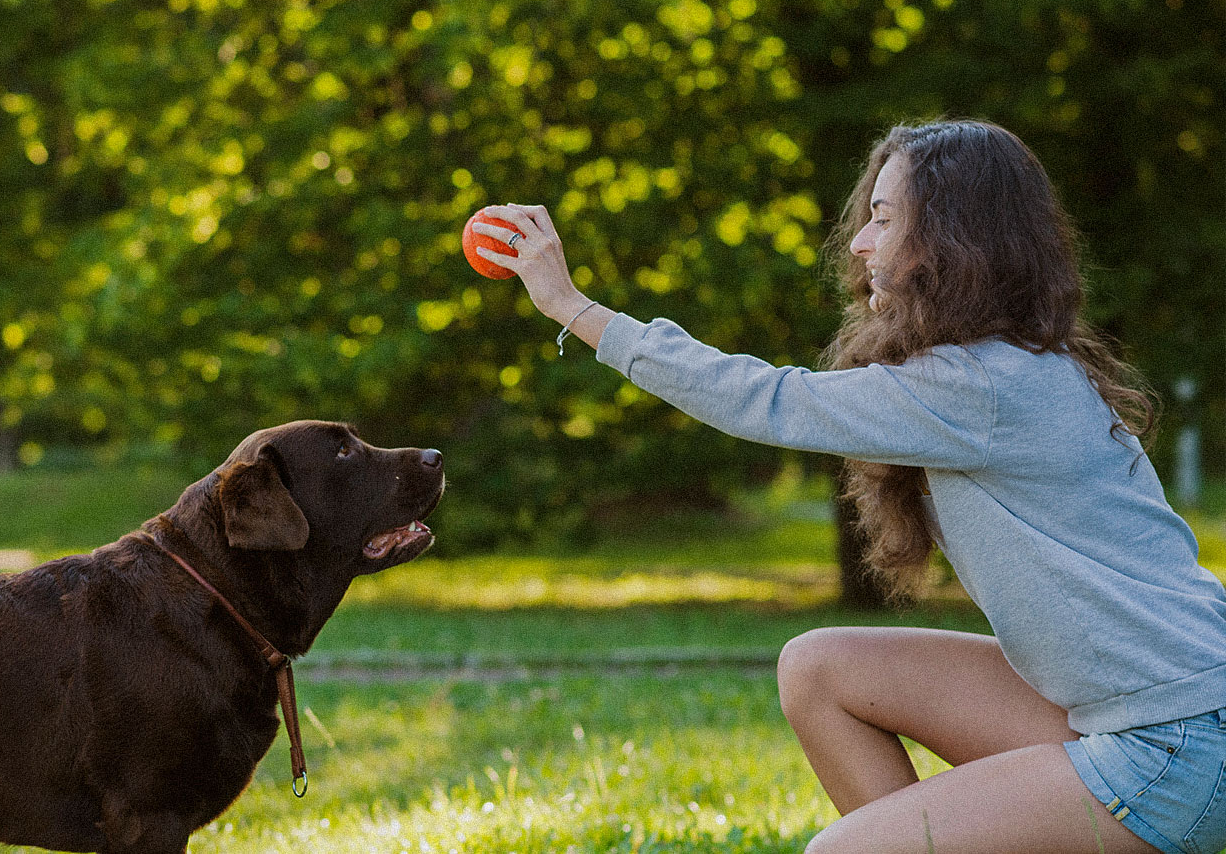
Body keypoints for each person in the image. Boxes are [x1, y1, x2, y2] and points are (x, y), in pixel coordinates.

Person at [472, 119, 1226, 854]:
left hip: (1174, 742)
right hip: (1163, 714)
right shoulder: (1008, 368)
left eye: (884, 219)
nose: (861, 242)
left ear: (952, 242)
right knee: (820, 667)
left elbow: (765, 399)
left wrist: (573, 307)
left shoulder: (984, 384)